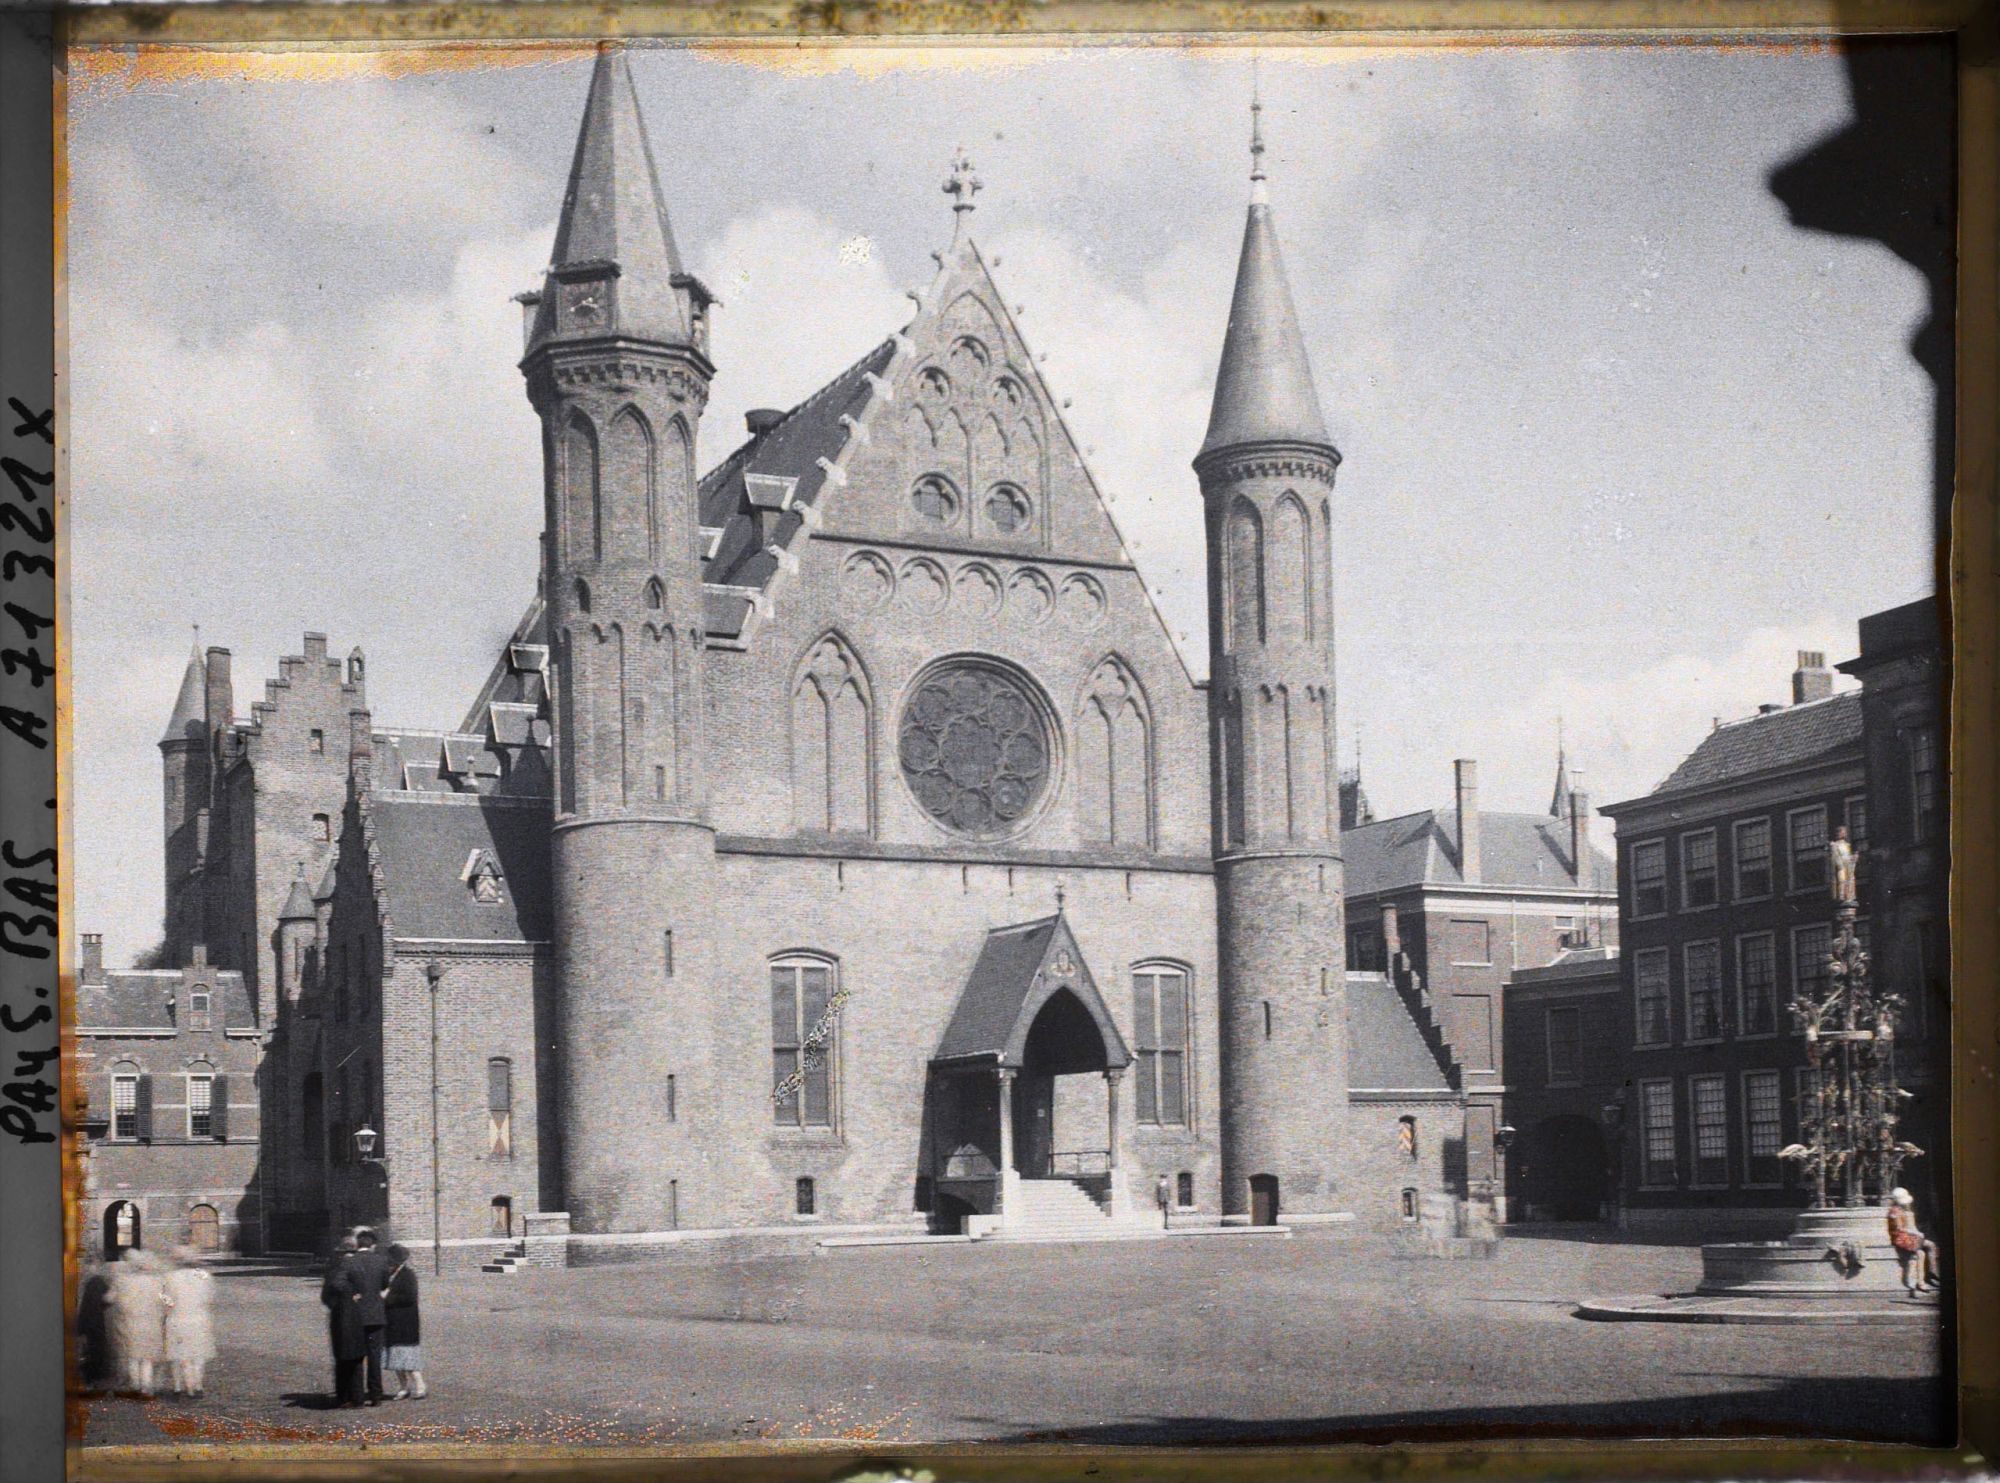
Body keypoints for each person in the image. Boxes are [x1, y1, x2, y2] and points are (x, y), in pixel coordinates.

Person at [104, 1249, 169, 1396]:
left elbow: (108, 1299)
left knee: (133, 1357)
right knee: (147, 1358)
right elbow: (166, 1302)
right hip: (151, 1324)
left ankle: (135, 1385)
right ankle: (146, 1387)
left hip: (129, 1324)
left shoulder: (122, 1281)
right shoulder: (157, 1282)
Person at [162, 1246, 217, 1397]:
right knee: (198, 1355)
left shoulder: (169, 1277)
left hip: (177, 1319)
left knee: (179, 1355)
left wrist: (167, 1311)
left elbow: (166, 1300)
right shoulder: (203, 1275)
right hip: (199, 1319)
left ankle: (179, 1386)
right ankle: (197, 1386)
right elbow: (210, 1298)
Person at [320, 1236, 368, 1406]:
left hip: (342, 1316)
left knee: (342, 1358)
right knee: (356, 1358)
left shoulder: (339, 1266)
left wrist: (343, 1298)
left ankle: (344, 1396)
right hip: (359, 1316)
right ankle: (358, 1397)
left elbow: (332, 1288)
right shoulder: (361, 1265)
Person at [349, 1228, 391, 1405]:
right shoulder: (381, 1261)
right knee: (375, 1357)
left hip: (356, 1315)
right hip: (376, 1315)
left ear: (357, 1244)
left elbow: (344, 1284)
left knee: (357, 1357)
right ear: (373, 1245)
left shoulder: (350, 1262)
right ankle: (376, 1395)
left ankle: (357, 1397)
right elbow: (385, 1284)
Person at [381, 1243, 427, 1400]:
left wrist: (387, 1297)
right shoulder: (390, 1275)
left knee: (407, 1355)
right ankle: (403, 1387)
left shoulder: (408, 1275)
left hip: (405, 1321)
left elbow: (409, 1297)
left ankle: (420, 1385)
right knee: (394, 1355)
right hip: (392, 1321)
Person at [1886, 1188, 1942, 1293]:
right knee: (1929, 1246)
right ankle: (1929, 1275)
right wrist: (1915, 1233)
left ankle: (1924, 1280)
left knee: (1922, 1253)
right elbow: (1899, 1228)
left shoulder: (1901, 1210)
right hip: (1902, 1239)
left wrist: (1915, 1232)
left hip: (1907, 1237)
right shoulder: (1894, 1211)